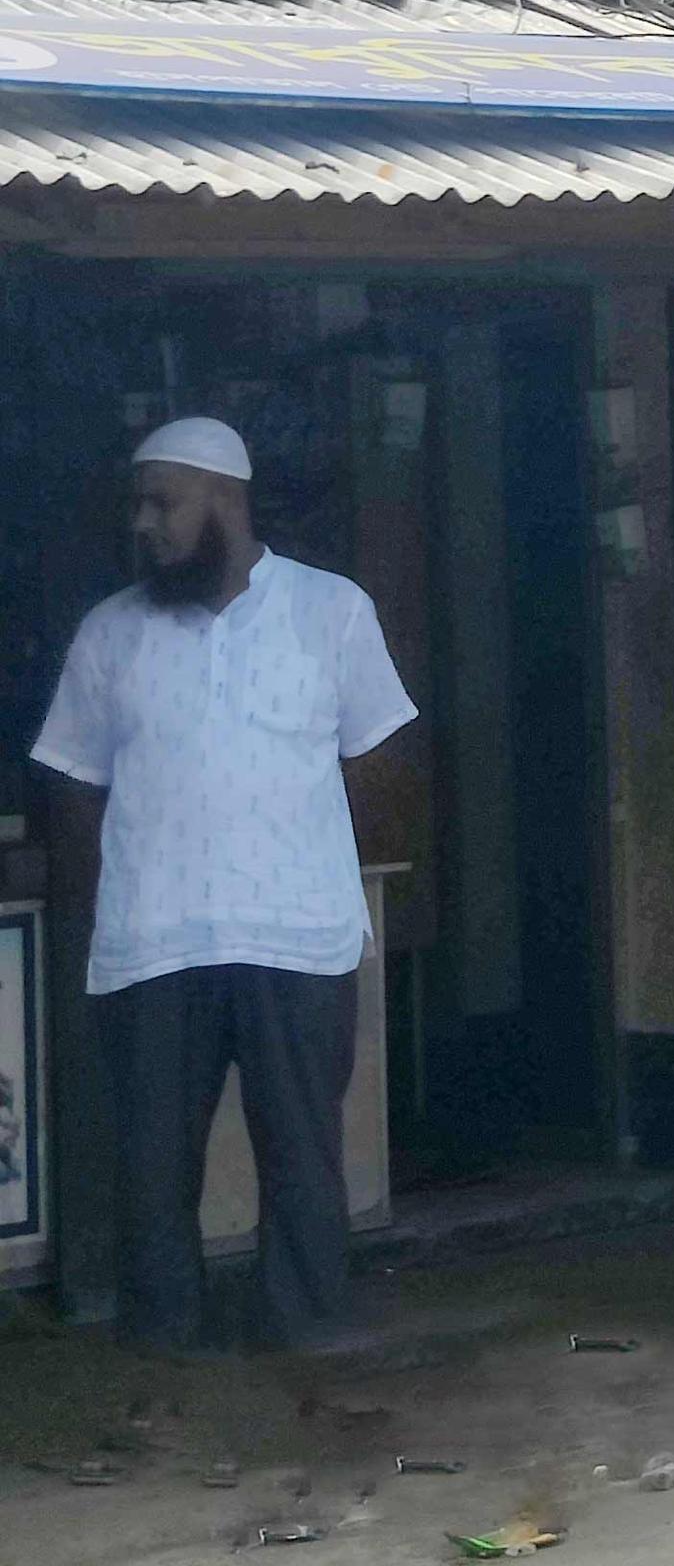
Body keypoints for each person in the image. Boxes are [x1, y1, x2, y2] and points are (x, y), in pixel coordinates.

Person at [27, 417, 415, 1354]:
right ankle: (167, 1337)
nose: (144, 524)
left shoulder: (332, 611)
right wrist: (110, 898)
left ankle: (308, 1325)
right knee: (153, 1163)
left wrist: (301, 853)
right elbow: (70, 781)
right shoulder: (111, 633)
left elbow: (381, 761)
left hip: (298, 934)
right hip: (153, 940)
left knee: (302, 1153)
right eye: (139, 504)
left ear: (226, 500)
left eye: (162, 502)